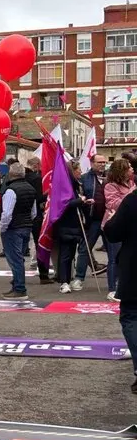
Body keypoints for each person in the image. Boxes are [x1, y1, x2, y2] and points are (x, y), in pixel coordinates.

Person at [104, 186, 137, 392]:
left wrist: (111, 219)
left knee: (131, 316)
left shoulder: (132, 201)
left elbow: (113, 233)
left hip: (134, 268)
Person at [0, 163, 37, 300]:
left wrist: (3, 228)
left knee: (15, 260)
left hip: (13, 228)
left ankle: (19, 288)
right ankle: (17, 284)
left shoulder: (10, 190)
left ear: (11, 174)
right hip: (26, 226)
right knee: (19, 258)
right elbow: (34, 212)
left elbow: (6, 213)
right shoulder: (31, 188)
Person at [103, 158, 134, 302]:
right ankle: (112, 289)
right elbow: (114, 204)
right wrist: (131, 195)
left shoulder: (131, 183)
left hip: (128, 226)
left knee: (125, 258)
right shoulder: (110, 186)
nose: (132, 169)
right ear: (122, 171)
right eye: (129, 167)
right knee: (114, 258)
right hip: (115, 224)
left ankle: (124, 286)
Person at [74, 154, 108, 288]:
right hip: (92, 220)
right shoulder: (84, 179)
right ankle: (79, 278)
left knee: (113, 251)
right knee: (85, 249)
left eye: (104, 162)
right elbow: (79, 196)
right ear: (92, 163)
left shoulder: (110, 177)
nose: (102, 164)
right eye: (99, 162)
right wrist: (84, 202)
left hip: (109, 220)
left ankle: (116, 278)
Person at [56, 162, 88, 294]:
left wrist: (84, 202)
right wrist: (80, 201)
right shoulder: (64, 186)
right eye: (78, 170)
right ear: (72, 171)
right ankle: (64, 282)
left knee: (71, 255)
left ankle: (67, 280)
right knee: (65, 254)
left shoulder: (76, 185)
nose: (80, 172)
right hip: (66, 224)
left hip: (75, 225)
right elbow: (63, 204)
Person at [25, 156, 53, 284]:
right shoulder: (36, 179)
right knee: (39, 244)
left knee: (19, 248)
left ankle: (17, 277)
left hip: (21, 217)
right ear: (36, 165)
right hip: (35, 215)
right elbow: (37, 198)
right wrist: (47, 193)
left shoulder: (18, 178)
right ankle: (44, 274)